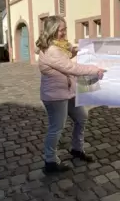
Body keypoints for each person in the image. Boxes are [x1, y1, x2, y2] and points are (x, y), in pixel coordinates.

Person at [36, 15, 105, 174]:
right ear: (53, 31)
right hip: (55, 96)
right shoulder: (52, 50)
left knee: (82, 117)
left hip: (68, 92)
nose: (65, 32)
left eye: (65, 29)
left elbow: (66, 56)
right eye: (62, 29)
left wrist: (81, 49)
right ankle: (50, 161)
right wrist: (95, 69)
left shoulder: (59, 46)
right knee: (56, 128)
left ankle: (76, 149)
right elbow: (71, 68)